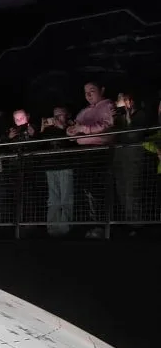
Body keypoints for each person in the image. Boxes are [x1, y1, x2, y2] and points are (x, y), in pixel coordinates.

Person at [69, 81, 116, 237]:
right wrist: (71, 131)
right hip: (84, 152)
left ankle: (101, 225)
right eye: (85, 92)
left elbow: (107, 125)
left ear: (102, 90)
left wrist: (83, 128)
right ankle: (92, 224)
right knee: (86, 189)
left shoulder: (108, 105)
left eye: (92, 91)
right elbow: (75, 128)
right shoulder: (83, 111)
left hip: (99, 151)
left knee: (97, 188)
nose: (88, 95)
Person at [112, 92, 147, 229]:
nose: (119, 104)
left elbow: (134, 135)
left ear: (130, 101)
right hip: (119, 155)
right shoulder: (118, 118)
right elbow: (114, 134)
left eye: (122, 101)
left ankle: (136, 223)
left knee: (132, 189)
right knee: (121, 188)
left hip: (133, 155)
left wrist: (128, 118)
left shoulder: (140, 114)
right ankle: (127, 222)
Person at [40, 107, 74, 237]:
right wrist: (42, 129)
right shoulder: (49, 130)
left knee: (66, 198)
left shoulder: (71, 127)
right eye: (55, 116)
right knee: (53, 199)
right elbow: (40, 145)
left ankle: (66, 228)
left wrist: (62, 128)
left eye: (60, 115)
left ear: (66, 115)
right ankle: (52, 228)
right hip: (51, 166)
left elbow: (74, 142)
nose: (57, 118)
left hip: (65, 166)